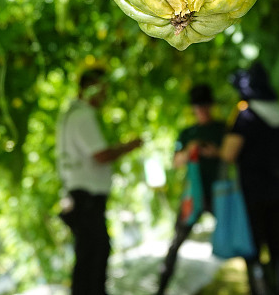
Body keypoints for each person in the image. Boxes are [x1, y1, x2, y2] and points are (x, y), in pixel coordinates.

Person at [56, 68, 143, 295]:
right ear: (91, 87)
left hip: (80, 196)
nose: (104, 96)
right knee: (93, 255)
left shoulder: (70, 115)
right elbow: (100, 155)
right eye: (102, 89)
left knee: (90, 254)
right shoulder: (82, 115)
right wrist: (130, 146)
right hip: (87, 198)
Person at [221, 62, 279, 295]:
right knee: (277, 244)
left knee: (253, 247)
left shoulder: (246, 115)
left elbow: (229, 154)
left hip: (253, 190)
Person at [155, 83, 227, 295]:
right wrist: (190, 150)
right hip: (193, 195)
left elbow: (232, 154)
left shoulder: (222, 128)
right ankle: (160, 289)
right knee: (176, 242)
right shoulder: (187, 133)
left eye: (205, 105)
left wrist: (215, 152)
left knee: (237, 233)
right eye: (198, 106)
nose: (202, 110)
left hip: (219, 193)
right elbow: (176, 161)